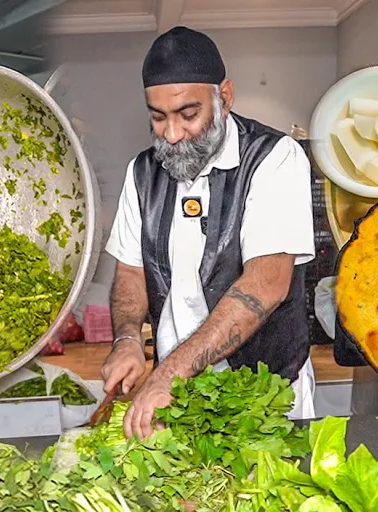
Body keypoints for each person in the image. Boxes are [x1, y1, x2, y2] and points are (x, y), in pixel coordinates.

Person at [100, 26, 316, 438]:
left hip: (264, 396)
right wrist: (126, 339)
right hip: (178, 397)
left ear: (225, 97)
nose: (173, 134)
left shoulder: (274, 159)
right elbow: (130, 273)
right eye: (158, 117)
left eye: (188, 114)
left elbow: (266, 285)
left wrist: (169, 373)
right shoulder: (141, 173)